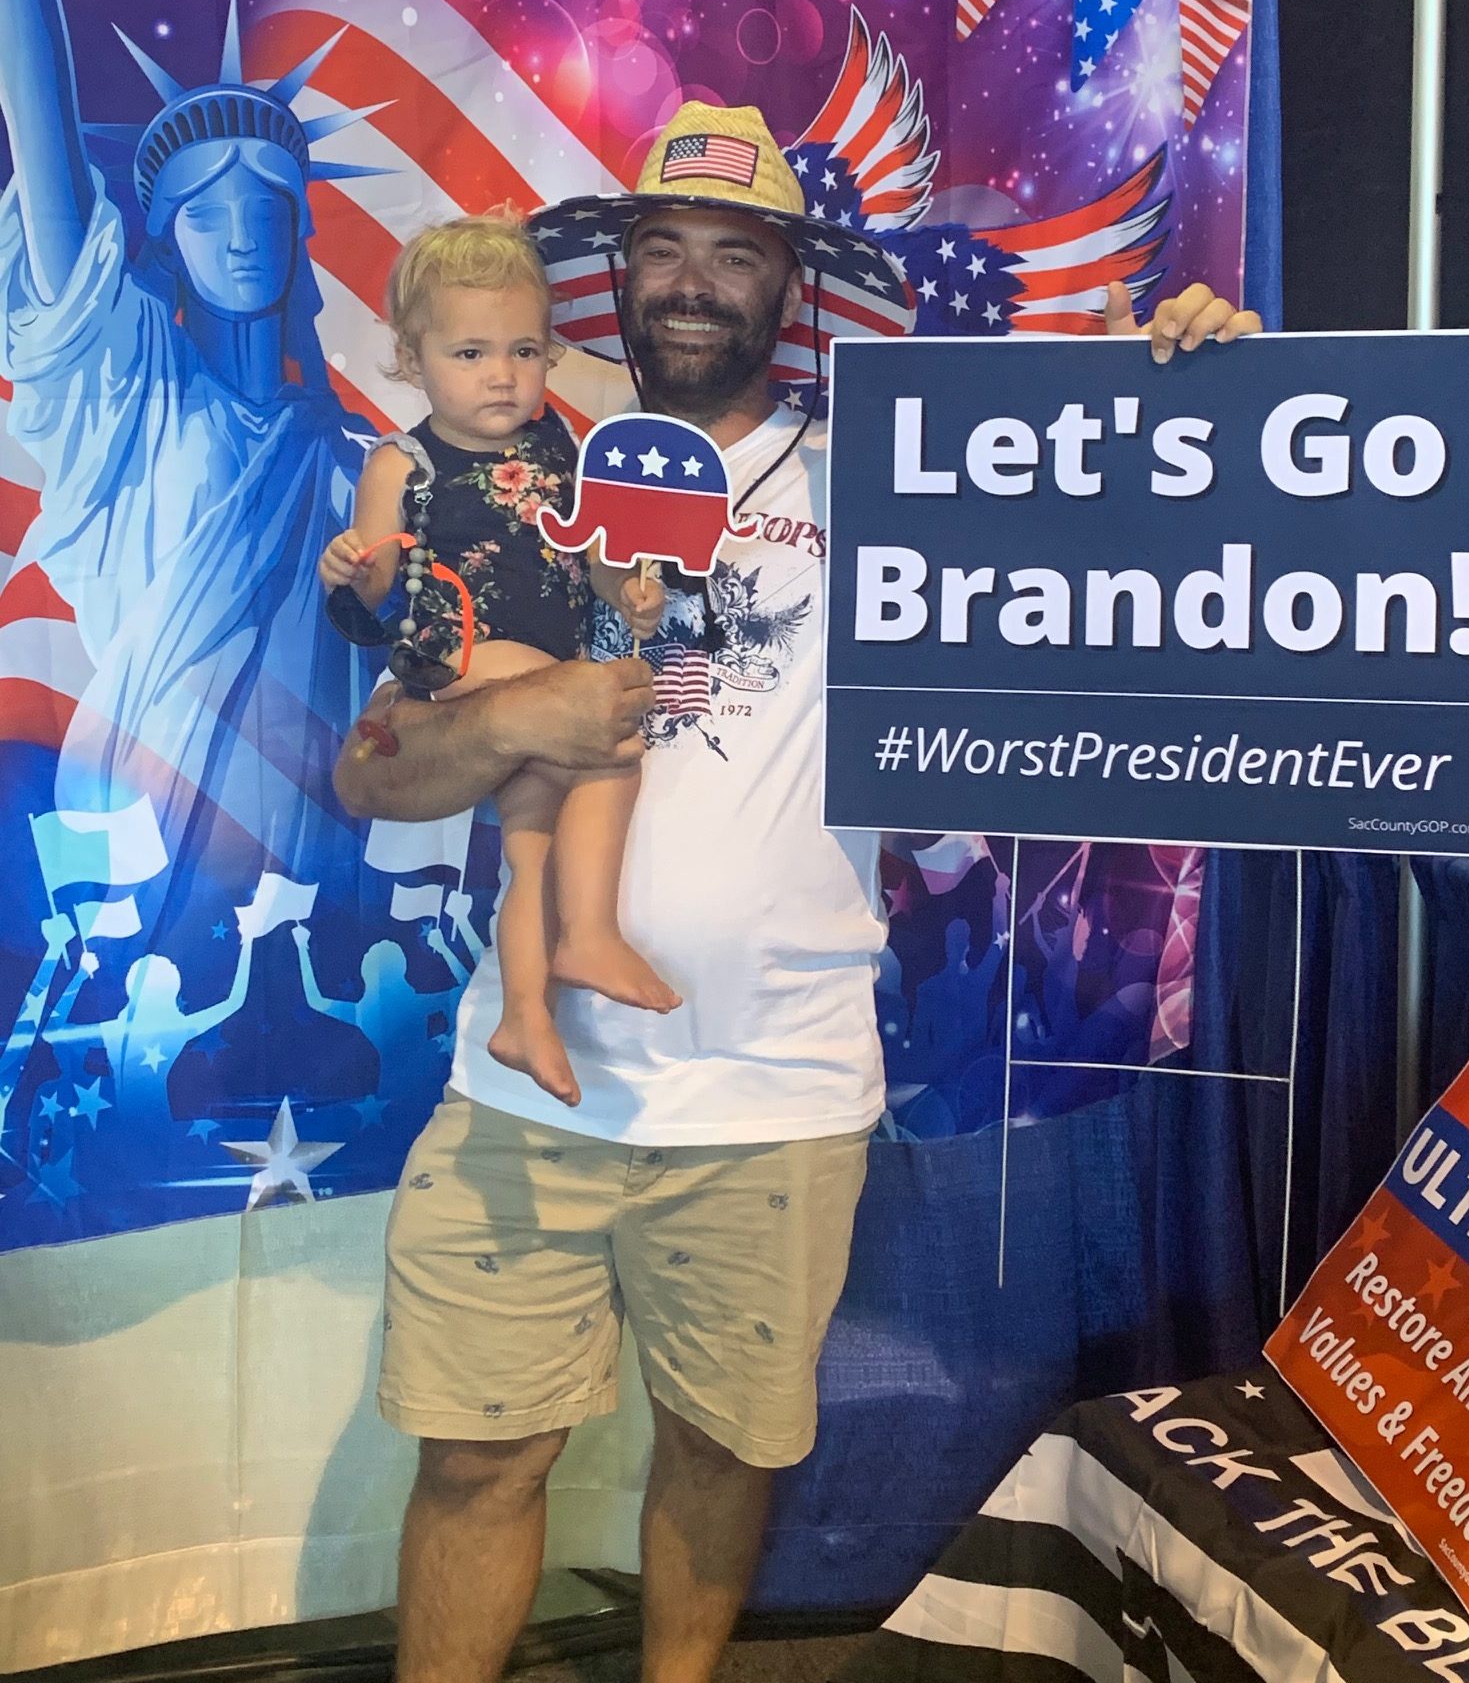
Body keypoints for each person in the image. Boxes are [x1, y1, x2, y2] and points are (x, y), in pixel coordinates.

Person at [333, 100, 1261, 1683]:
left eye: (737, 252)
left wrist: (1189, 389)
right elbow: (377, 775)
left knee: (719, 1452)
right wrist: (528, 713)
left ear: (791, 283)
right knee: (478, 1459)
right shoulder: (530, 475)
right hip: (528, 1080)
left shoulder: (886, 477)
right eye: (665, 247)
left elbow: (1131, 555)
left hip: (779, 1089)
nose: (695, 282)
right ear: (620, 277)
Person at [318, 213, 673, 1107]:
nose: (502, 375)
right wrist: (353, 571)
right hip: (459, 656)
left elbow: (592, 553)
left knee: (532, 842)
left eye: (524, 351)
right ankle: (589, 934)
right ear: (412, 360)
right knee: (610, 744)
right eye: (470, 354)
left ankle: (524, 1014)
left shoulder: (561, 447)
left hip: (544, 668)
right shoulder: (402, 463)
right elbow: (378, 582)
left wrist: (628, 589)